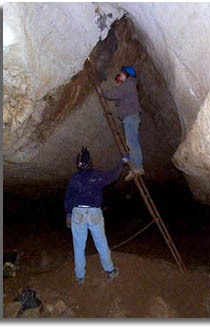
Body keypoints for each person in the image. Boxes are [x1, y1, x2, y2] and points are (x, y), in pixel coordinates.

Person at [64, 146, 129, 285]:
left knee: (79, 246)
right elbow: (113, 175)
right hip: (94, 213)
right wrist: (122, 162)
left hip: (78, 213)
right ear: (90, 162)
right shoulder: (97, 176)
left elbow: (68, 198)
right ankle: (110, 271)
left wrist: (69, 214)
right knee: (101, 243)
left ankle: (80, 277)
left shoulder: (74, 179)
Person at [101, 66, 144, 182]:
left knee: (132, 142)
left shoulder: (128, 84)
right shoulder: (129, 86)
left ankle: (137, 168)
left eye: (121, 74)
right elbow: (119, 99)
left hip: (130, 116)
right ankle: (136, 167)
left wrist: (103, 92)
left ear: (127, 75)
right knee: (131, 142)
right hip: (130, 117)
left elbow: (114, 94)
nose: (120, 76)